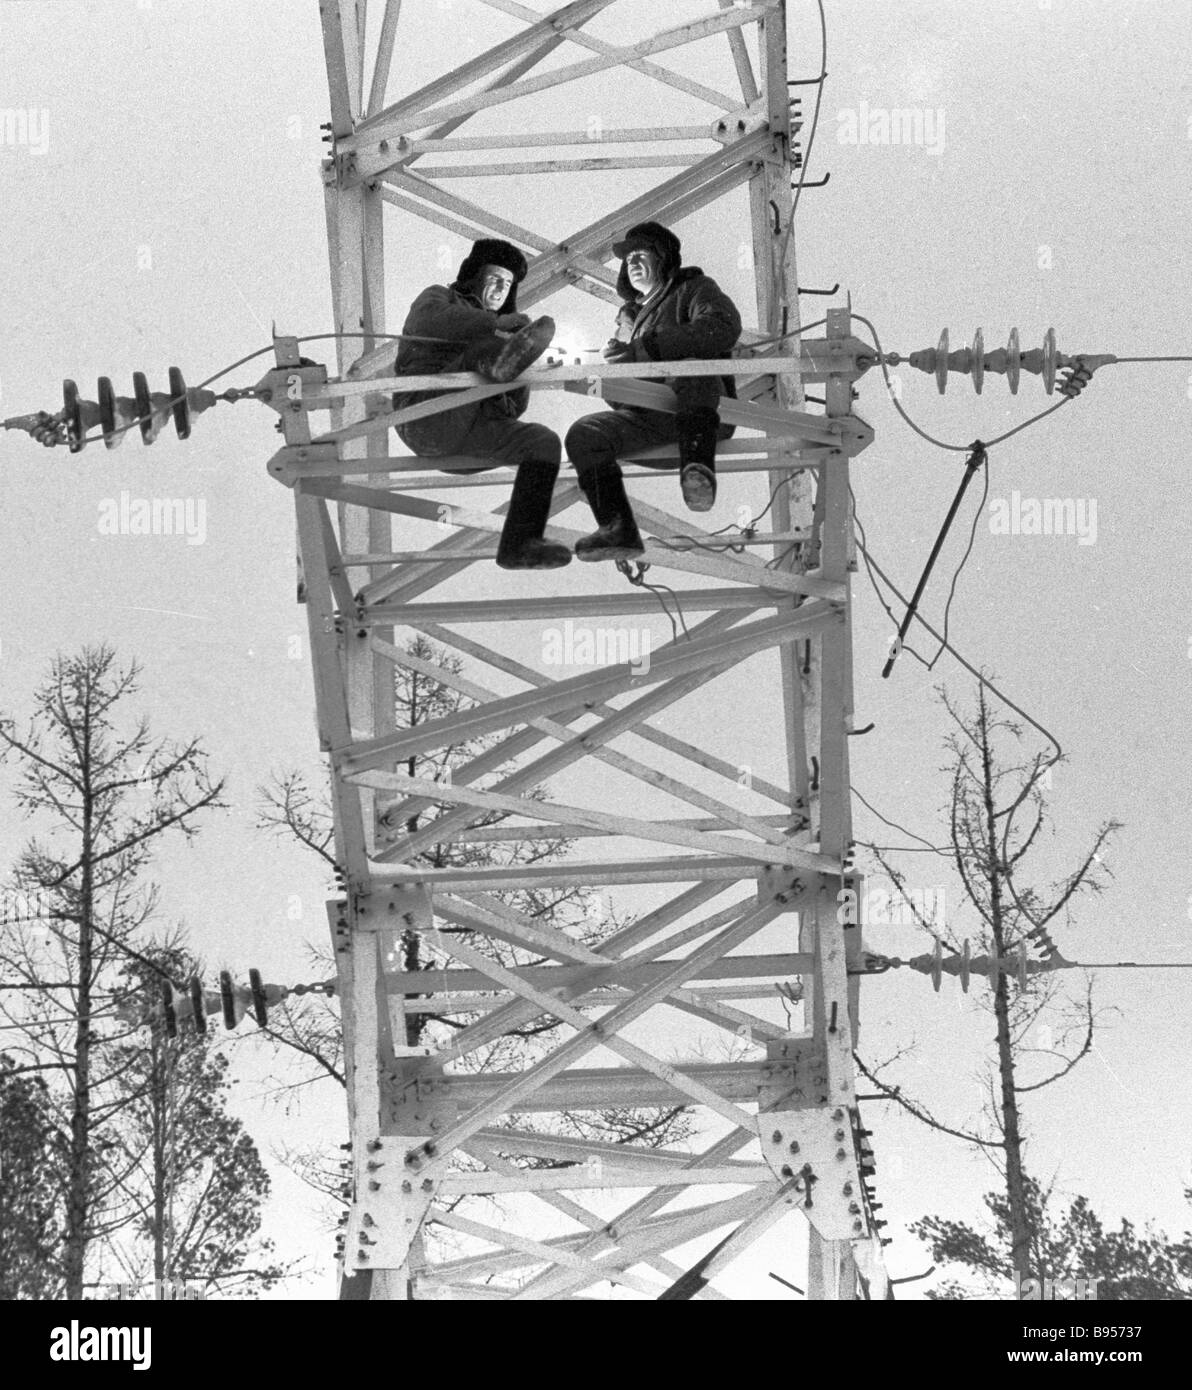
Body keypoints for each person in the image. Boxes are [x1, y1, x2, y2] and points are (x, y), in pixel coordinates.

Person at [565, 221, 742, 562]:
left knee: (691, 367)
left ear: (662, 260)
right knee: (585, 435)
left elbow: (722, 327)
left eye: (641, 253)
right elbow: (620, 396)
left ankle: (697, 468)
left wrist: (645, 350)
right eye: (627, 256)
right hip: (649, 420)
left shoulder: (694, 289)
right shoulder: (628, 318)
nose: (631, 261)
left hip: (698, 410)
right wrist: (615, 372)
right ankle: (617, 528)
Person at [393, 238, 569, 570]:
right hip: (425, 415)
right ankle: (499, 364)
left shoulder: (500, 337)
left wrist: (524, 373)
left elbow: (514, 411)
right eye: (495, 278)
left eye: (508, 283)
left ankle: (521, 544)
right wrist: (493, 325)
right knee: (481, 350)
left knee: (542, 443)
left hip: (471, 435)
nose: (502, 288)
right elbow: (429, 320)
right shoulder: (440, 298)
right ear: (476, 275)